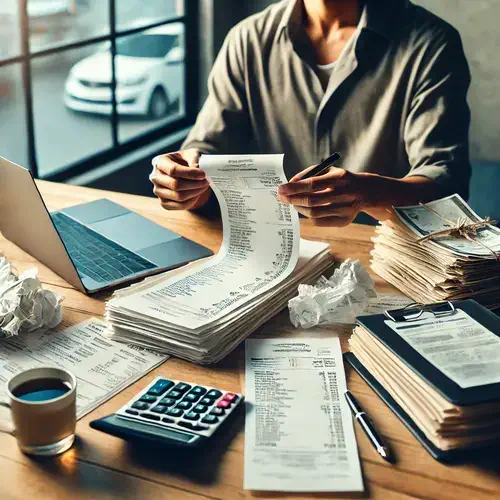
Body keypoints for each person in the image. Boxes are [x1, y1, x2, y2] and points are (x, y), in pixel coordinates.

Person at [150, 0, 471, 226]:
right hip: (272, 249)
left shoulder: (431, 44)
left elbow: (447, 185)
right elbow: (208, 152)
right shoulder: (247, 39)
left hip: (391, 254)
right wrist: (185, 182)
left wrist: (368, 194)